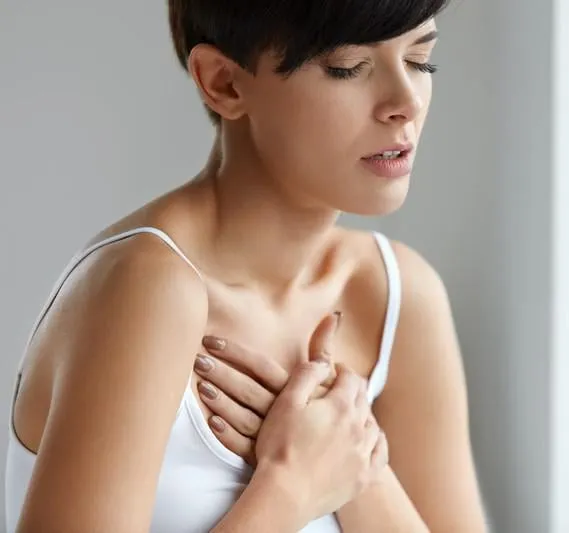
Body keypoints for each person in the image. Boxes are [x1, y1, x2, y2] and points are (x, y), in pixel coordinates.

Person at [4, 0, 487, 531]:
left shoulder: (399, 295)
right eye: (348, 67)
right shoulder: (146, 288)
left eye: (421, 61)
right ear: (224, 83)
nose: (406, 102)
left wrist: (362, 471)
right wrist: (288, 489)